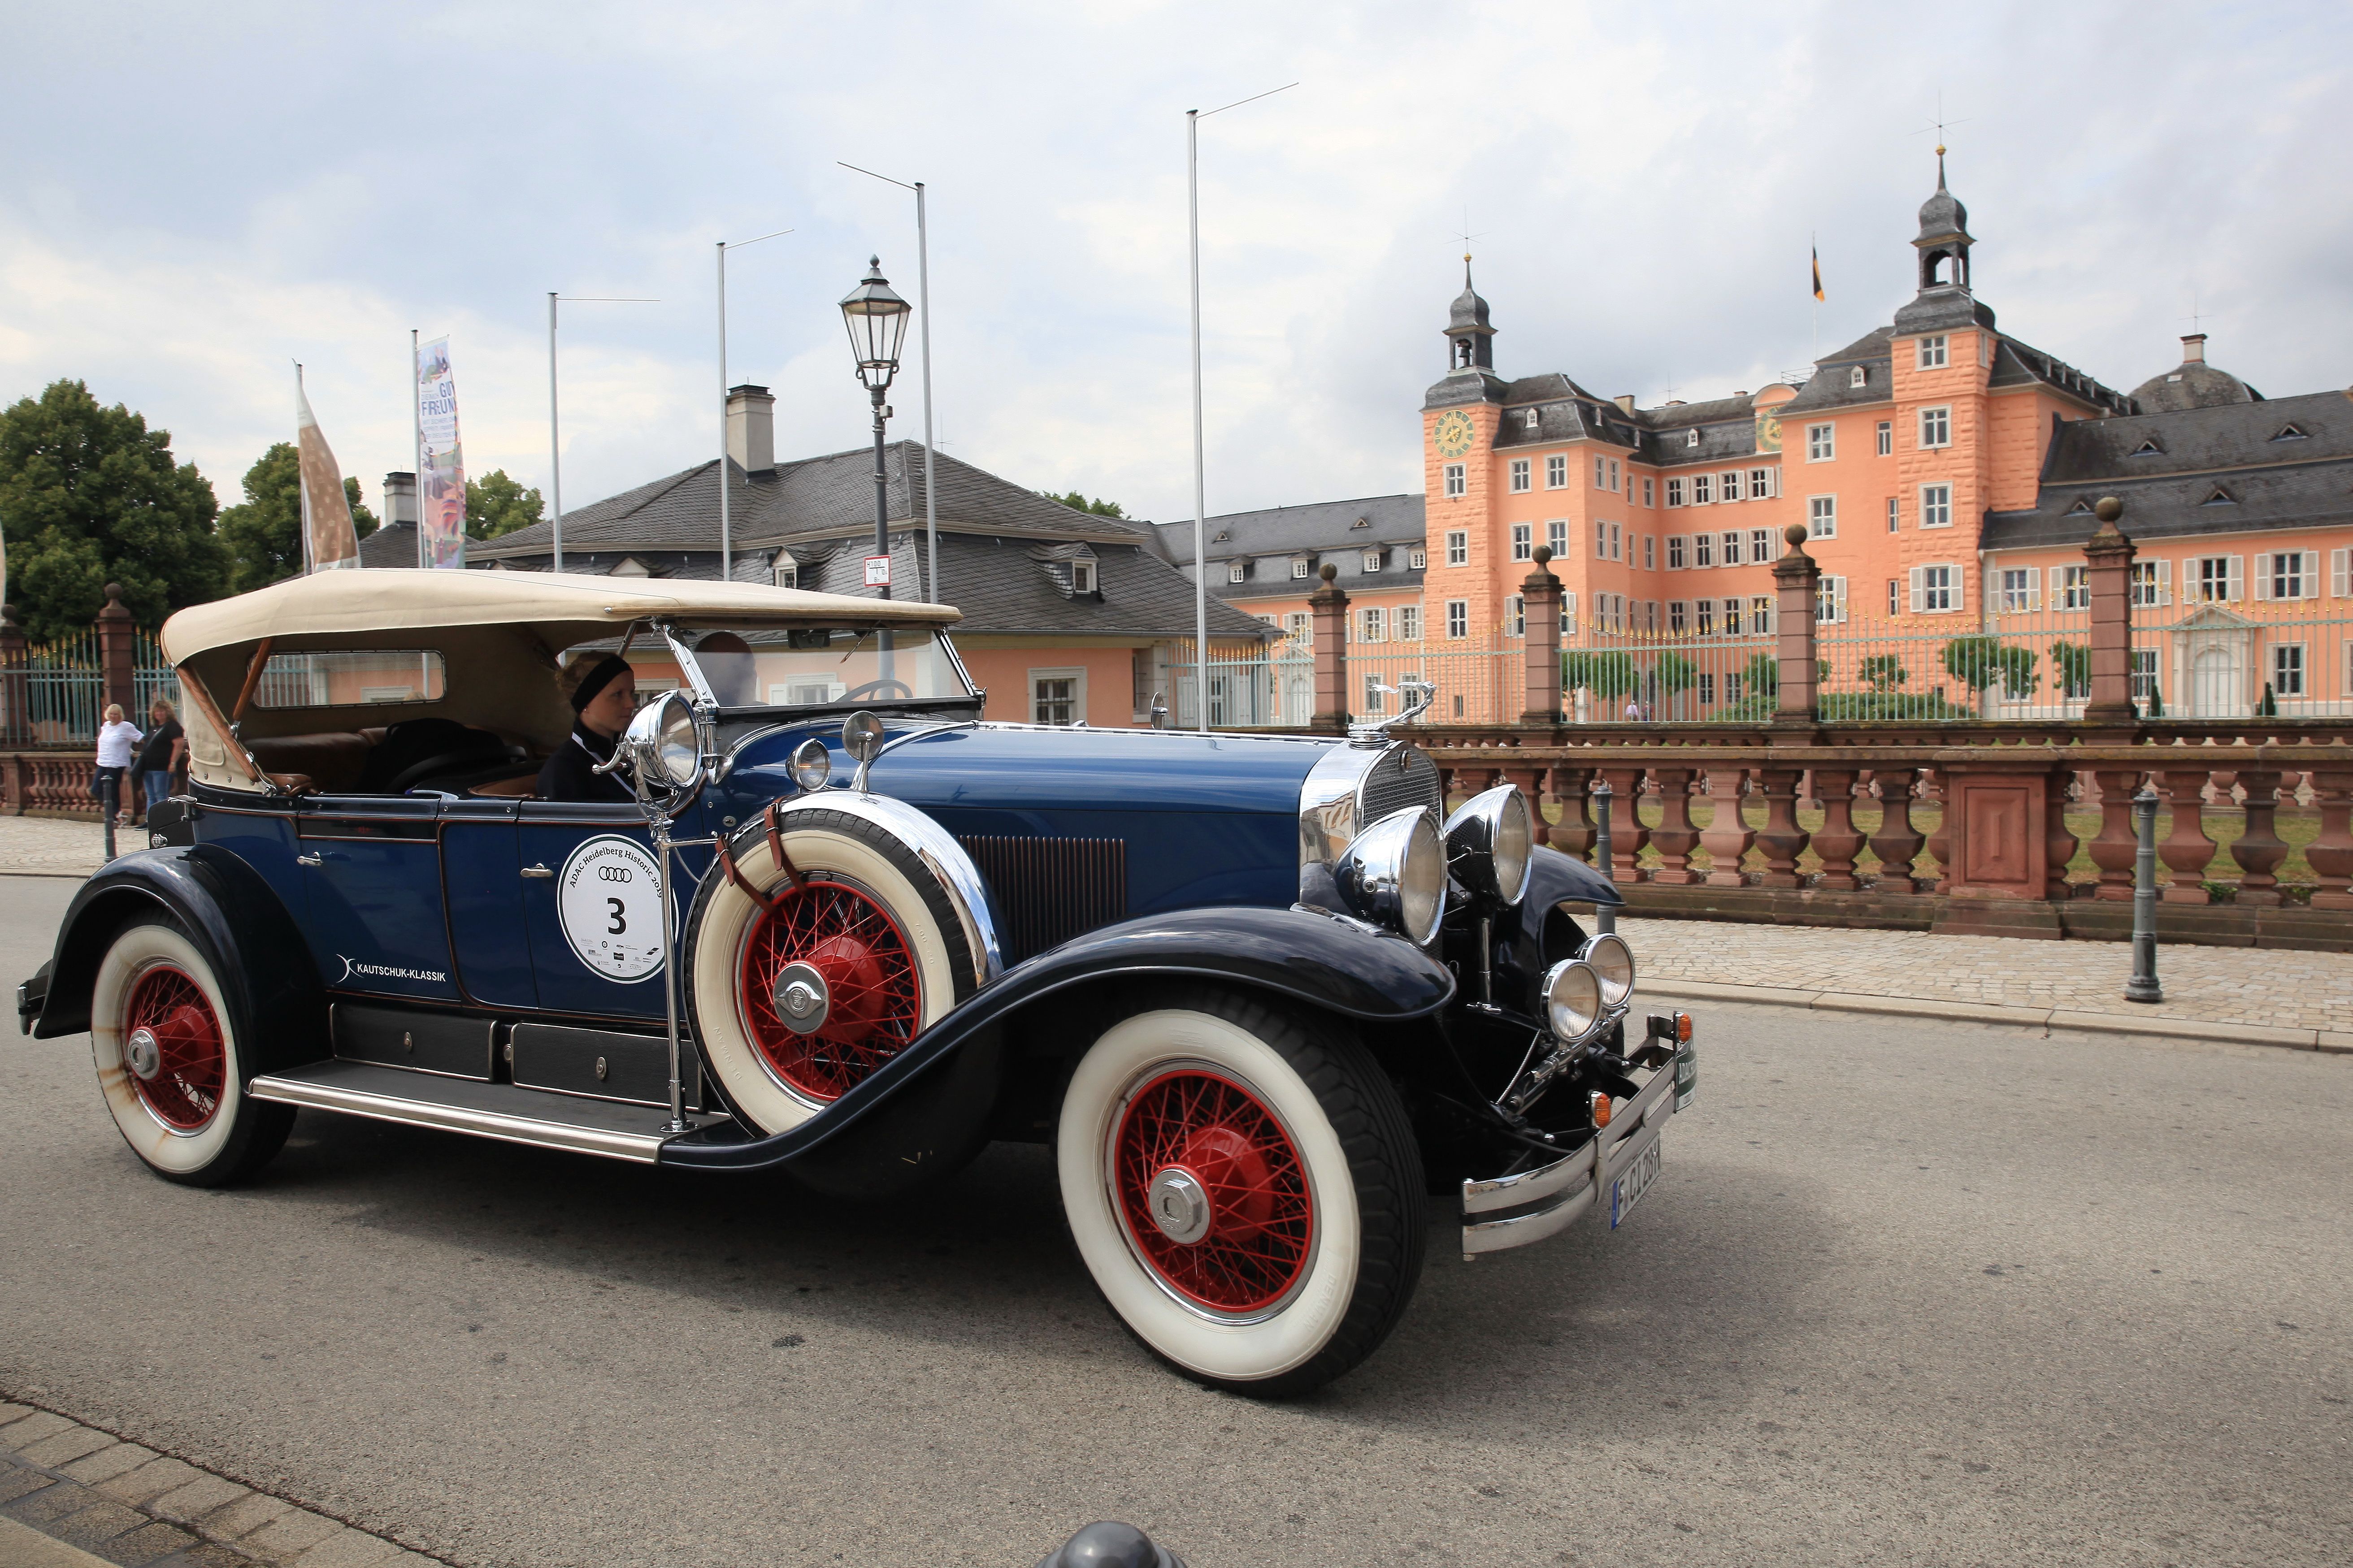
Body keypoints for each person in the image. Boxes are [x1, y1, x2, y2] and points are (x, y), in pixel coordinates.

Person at [536, 653, 640, 803]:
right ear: (586, 702)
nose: (631, 704)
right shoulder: (564, 770)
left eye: (632, 693)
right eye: (617, 695)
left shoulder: (632, 754)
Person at [133, 695, 185, 825]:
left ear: (168, 712)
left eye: (162, 711)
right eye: (157, 712)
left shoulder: (173, 726)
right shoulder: (155, 727)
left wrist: (173, 762)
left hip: (162, 767)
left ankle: (163, 821)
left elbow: (178, 745)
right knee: (150, 796)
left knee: (161, 795)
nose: (159, 714)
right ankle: (150, 820)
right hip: (148, 767)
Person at [94, 703, 142, 827]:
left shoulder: (126, 727)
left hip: (117, 763)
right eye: (111, 714)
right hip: (103, 761)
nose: (113, 717)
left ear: (120, 715)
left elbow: (140, 738)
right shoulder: (106, 726)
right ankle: (116, 813)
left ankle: (114, 816)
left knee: (112, 790)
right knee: (96, 789)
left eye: (116, 714)